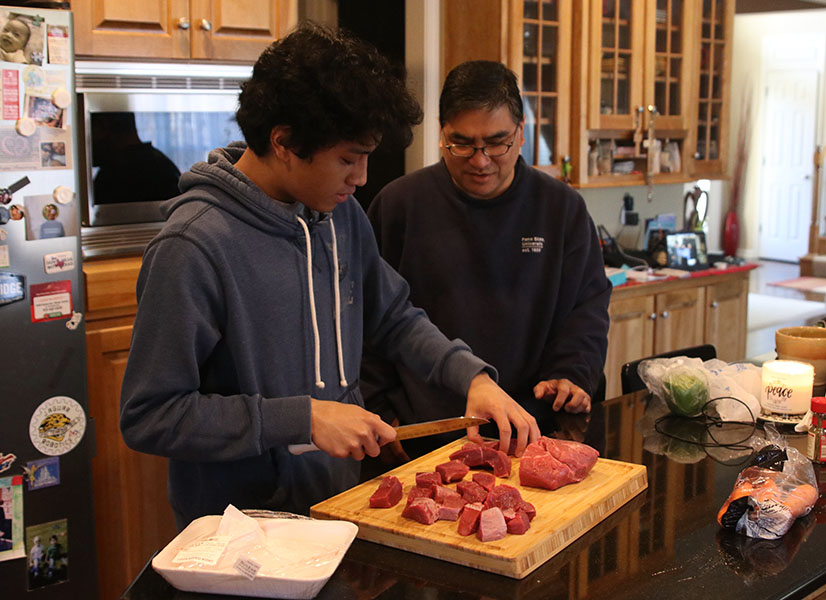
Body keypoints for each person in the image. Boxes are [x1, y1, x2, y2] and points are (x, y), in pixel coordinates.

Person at [119, 24, 539, 529]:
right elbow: (151, 415)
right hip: (243, 532)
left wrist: (469, 376)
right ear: (285, 143)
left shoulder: (339, 214)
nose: (361, 178)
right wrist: (305, 418)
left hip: (341, 506)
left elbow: (393, 317)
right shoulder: (192, 247)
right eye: (348, 159)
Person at [362, 60, 611, 459]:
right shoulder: (398, 206)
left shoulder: (561, 208)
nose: (480, 160)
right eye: (461, 143)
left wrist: (573, 370)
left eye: (497, 143)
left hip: (534, 431)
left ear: (521, 132)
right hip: (426, 431)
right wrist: (377, 409)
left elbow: (588, 304)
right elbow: (370, 317)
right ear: (442, 129)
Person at [91, 112, 181, 204]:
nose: (84, 143)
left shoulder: (113, 176)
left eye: (88, 131)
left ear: (102, 125)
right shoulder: (164, 166)